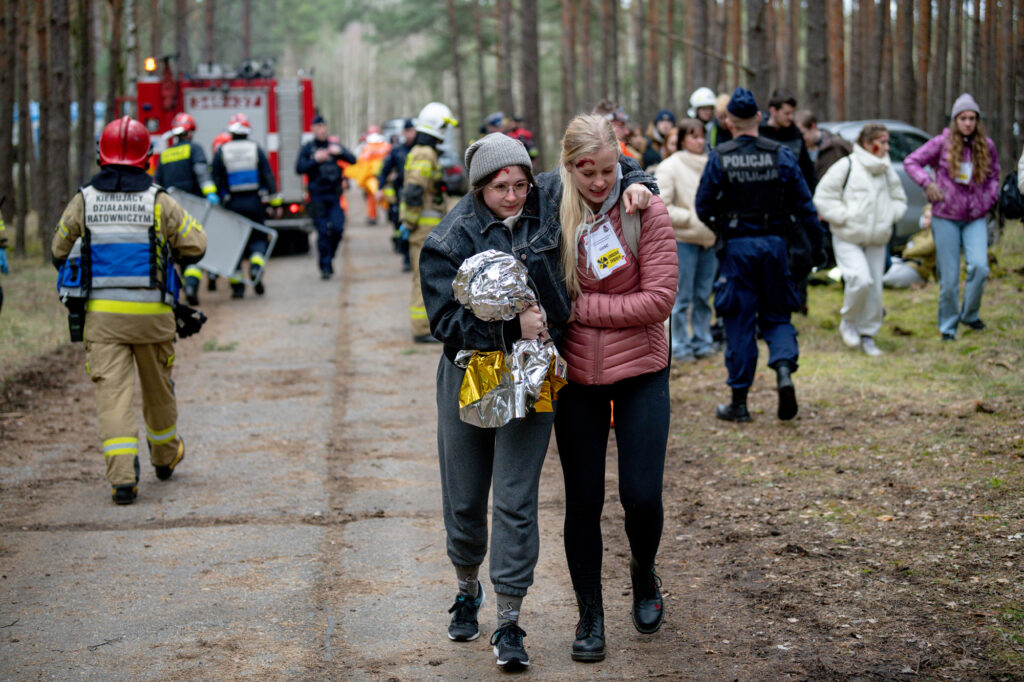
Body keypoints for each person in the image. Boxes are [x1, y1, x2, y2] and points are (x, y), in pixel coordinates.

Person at [419, 131, 655, 671]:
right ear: (480, 186)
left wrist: (639, 183)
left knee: (517, 499)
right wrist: (510, 326)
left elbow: (600, 166)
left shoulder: (545, 198)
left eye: (521, 184)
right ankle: (465, 586)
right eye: (501, 186)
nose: (513, 195)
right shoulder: (449, 240)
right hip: (470, 374)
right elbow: (443, 323)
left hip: (532, 377)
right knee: (465, 497)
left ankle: (509, 619)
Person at [552, 113, 676, 663]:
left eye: (607, 170)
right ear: (569, 166)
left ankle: (643, 571)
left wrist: (582, 309)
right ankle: (590, 614)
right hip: (576, 378)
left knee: (641, 495)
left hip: (642, 371)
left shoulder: (645, 209)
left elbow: (659, 300)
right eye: (587, 172)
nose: (599, 182)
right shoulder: (547, 216)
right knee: (582, 501)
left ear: (619, 162)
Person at [50, 116, 207, 504]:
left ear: (101, 157)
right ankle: (165, 458)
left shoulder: (83, 200)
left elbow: (58, 251)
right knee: (158, 391)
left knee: (113, 397)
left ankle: (123, 479)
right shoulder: (159, 200)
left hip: (103, 321)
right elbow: (196, 246)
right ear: (147, 158)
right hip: (152, 317)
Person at [695, 87, 825, 423]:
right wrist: (818, 247)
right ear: (759, 118)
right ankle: (783, 371)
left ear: (729, 121)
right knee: (778, 315)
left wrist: (722, 226)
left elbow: (702, 206)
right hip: (774, 246)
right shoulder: (781, 155)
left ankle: (739, 403)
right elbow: (806, 207)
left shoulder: (719, 156)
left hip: (737, 248)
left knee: (738, 320)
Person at [904, 94, 1000, 341]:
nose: (968, 123)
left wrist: (987, 200)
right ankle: (948, 326)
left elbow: (994, 177)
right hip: (945, 215)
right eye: (963, 118)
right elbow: (911, 162)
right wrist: (927, 184)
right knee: (949, 277)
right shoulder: (941, 143)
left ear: (977, 121)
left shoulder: (986, 145)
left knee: (979, 266)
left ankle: (970, 314)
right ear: (955, 120)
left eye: (972, 118)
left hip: (975, 216)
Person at [813, 123, 908, 356]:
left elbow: (899, 198)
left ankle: (868, 334)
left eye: (887, 142)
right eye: (882, 142)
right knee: (859, 279)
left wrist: (889, 216)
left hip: (877, 238)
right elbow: (823, 197)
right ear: (868, 143)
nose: (886, 147)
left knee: (874, 287)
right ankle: (849, 321)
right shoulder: (846, 165)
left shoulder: (886, 170)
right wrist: (843, 217)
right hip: (848, 236)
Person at [655, 119, 718, 362]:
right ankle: (680, 345)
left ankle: (702, 340)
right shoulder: (670, 166)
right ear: (682, 139)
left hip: (710, 240)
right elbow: (661, 205)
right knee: (681, 299)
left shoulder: (713, 163)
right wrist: (693, 219)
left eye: (702, 136)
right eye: (693, 136)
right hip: (683, 240)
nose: (699, 141)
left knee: (703, 296)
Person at [401, 101, 458, 343]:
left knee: (426, 276)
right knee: (422, 277)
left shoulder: (424, 152)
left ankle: (426, 325)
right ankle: (422, 328)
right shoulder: (425, 154)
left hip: (426, 228)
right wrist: (409, 223)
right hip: (423, 228)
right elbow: (414, 191)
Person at [211, 112, 282, 298]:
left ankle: (238, 287)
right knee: (258, 239)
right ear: (247, 131)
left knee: (234, 245)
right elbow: (267, 175)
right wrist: (275, 203)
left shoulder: (222, 151)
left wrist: (222, 199)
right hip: (254, 202)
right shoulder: (255, 148)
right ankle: (256, 270)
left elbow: (216, 179)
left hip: (233, 204)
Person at [154, 112, 219, 306]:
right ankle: (191, 285)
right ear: (190, 132)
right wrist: (211, 193)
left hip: (169, 210)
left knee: (174, 249)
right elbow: (202, 174)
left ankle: (175, 290)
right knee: (193, 246)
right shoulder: (195, 149)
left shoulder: (165, 155)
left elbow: (158, 184)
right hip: (193, 209)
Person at [296, 114, 357, 279]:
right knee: (322, 232)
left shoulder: (334, 147)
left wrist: (341, 152)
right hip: (317, 198)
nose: (322, 129)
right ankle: (325, 265)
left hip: (334, 196)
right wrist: (316, 159)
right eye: (318, 126)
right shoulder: (308, 149)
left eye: (324, 126)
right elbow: (299, 168)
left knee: (337, 228)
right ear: (313, 129)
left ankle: (329, 256)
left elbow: (353, 160)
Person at [377, 118, 416, 271]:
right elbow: (384, 170)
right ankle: (406, 258)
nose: (410, 134)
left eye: (412, 131)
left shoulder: (420, 149)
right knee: (401, 224)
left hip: (417, 194)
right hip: (401, 194)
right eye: (408, 131)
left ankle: (415, 257)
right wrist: (379, 188)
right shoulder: (397, 151)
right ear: (403, 133)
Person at [345, 125, 391, 226]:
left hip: (371, 177)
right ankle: (389, 212)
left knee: (371, 197)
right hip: (384, 176)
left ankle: (373, 216)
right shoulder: (386, 146)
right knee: (386, 195)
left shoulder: (367, 147)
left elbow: (360, 162)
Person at [884, 204, 936, 288]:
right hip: (906, 263)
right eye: (925, 217)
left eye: (930, 218)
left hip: (917, 269)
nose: (927, 221)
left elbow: (928, 246)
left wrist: (907, 252)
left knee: (887, 279)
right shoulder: (919, 233)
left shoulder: (934, 234)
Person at [795, 109, 853, 181]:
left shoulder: (835, 145)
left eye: (802, 134)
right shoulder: (802, 151)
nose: (800, 139)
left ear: (813, 126)